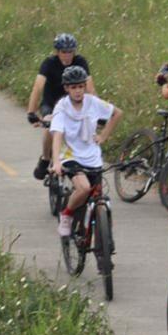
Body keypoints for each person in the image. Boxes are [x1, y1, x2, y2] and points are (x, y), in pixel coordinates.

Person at [47, 65, 123, 236]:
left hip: (92, 156)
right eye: (73, 87)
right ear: (66, 88)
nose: (78, 91)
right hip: (71, 156)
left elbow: (117, 113)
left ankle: (100, 239)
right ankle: (66, 214)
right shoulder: (62, 107)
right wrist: (57, 161)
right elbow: (57, 135)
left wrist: (103, 136)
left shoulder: (92, 102)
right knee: (83, 188)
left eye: (81, 86)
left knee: (97, 199)